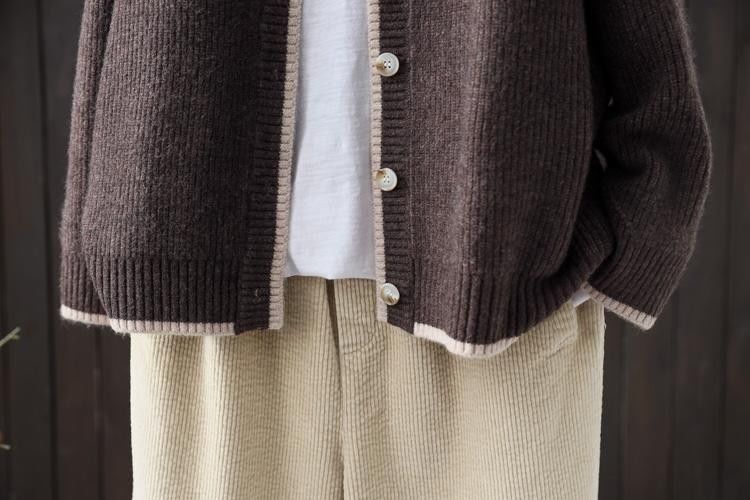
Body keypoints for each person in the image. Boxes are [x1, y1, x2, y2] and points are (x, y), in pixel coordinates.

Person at [59, 0, 711, 498]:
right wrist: (97, 241)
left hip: (495, 305)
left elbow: (658, 89)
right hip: (210, 310)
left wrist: (623, 243)